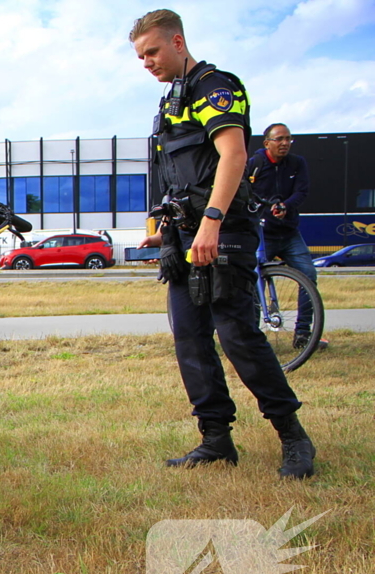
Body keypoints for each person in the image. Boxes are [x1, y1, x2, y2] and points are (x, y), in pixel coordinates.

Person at [131, 10, 316, 478]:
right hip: (182, 236)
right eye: (139, 56)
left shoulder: (214, 86)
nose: (146, 62)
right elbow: (170, 172)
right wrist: (160, 223)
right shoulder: (170, 101)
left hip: (222, 231)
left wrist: (212, 220)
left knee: (237, 335)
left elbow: (232, 154)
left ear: (177, 42)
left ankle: (292, 435)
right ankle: (216, 439)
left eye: (152, 51)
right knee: (190, 339)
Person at [248, 123, 326, 349]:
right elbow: (243, 190)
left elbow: (302, 191)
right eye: (279, 139)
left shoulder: (297, 163)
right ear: (267, 143)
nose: (284, 143)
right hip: (263, 233)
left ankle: (303, 334)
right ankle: (251, 338)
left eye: (288, 139)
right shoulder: (255, 164)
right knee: (253, 283)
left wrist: (285, 205)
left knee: (308, 275)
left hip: (289, 232)